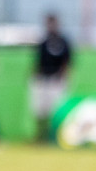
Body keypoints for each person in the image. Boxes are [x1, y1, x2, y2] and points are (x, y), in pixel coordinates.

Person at [30, 13, 71, 143]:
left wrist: (62, 76)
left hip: (57, 80)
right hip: (43, 79)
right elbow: (37, 62)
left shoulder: (63, 41)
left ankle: (57, 137)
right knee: (41, 111)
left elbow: (68, 61)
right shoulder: (43, 41)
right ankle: (42, 136)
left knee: (57, 110)